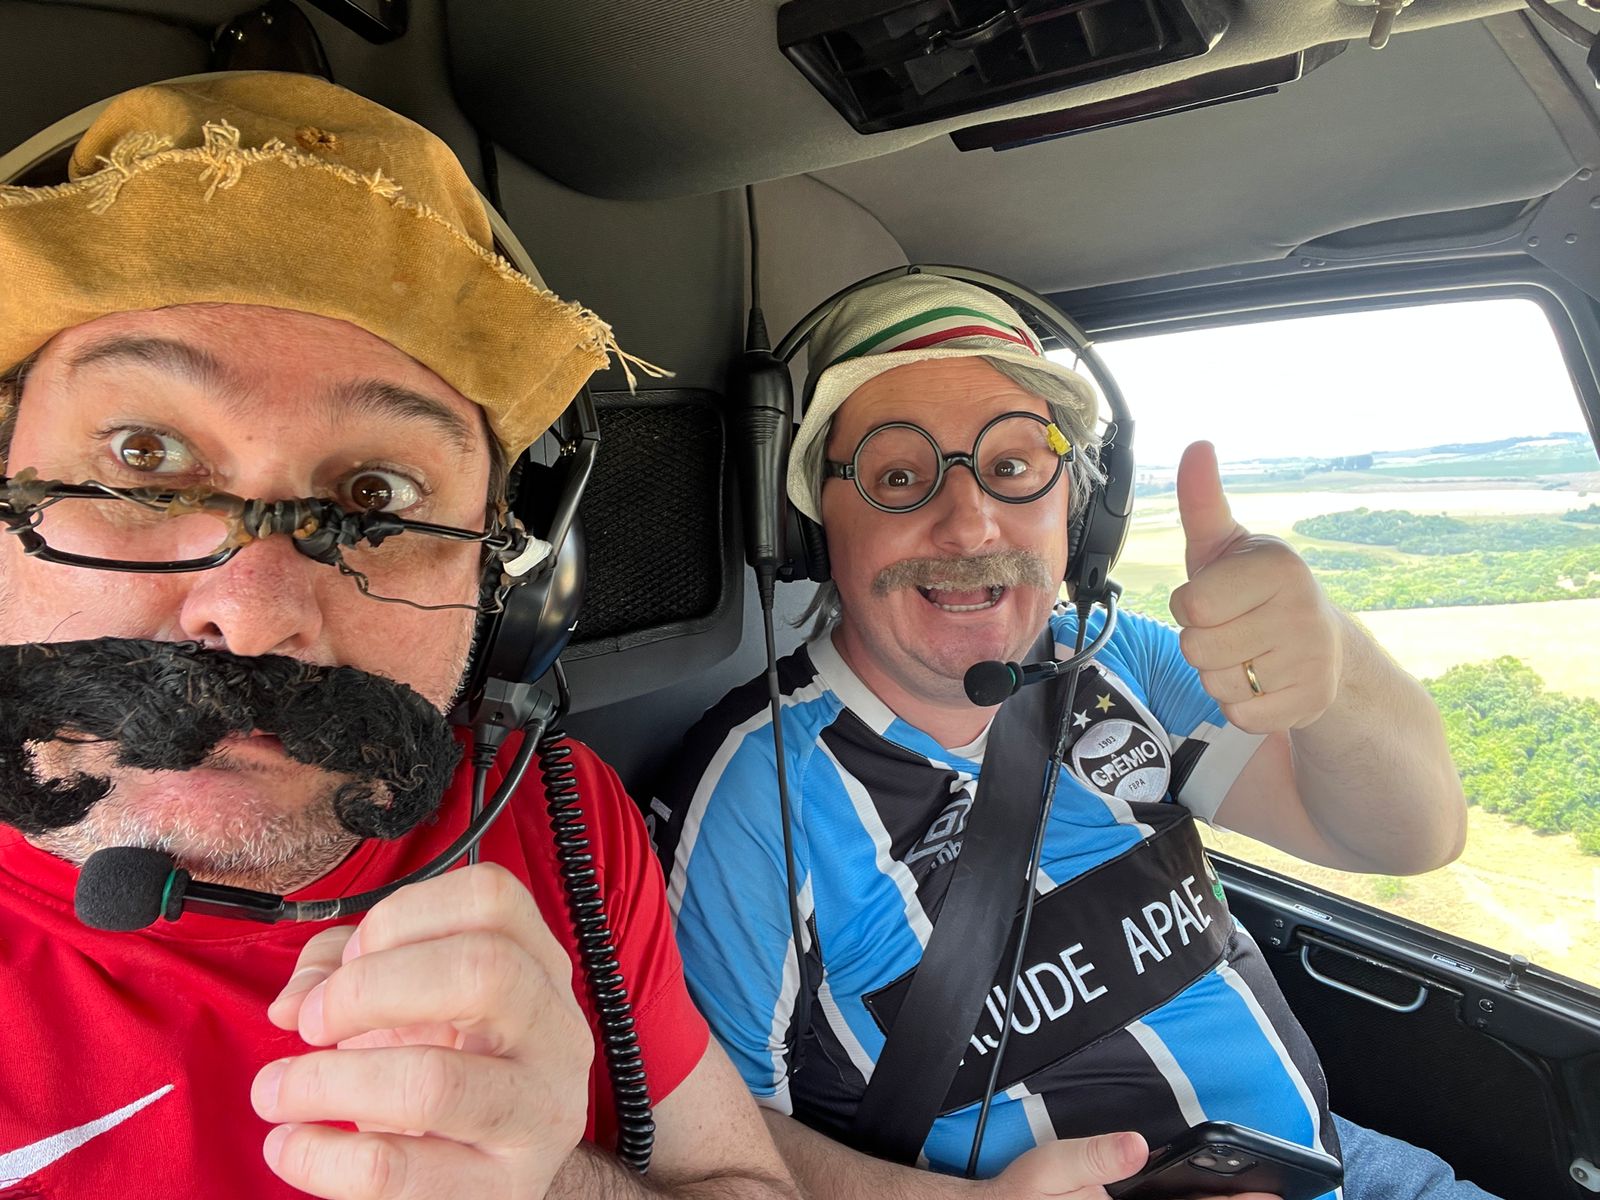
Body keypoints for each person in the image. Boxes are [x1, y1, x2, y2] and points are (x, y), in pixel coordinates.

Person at [0, 71, 808, 1200]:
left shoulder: (551, 817)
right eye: (144, 457)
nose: (255, 614)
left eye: (376, 498)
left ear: (513, 591)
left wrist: (552, 1186)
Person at [654, 274, 1496, 1199]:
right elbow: (714, 1138)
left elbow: (1411, 836)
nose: (970, 523)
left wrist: (1334, 662)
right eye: (898, 476)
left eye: (1014, 467)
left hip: (1342, 1167)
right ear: (811, 526)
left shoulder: (1122, 661)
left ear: (1079, 510)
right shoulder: (758, 793)